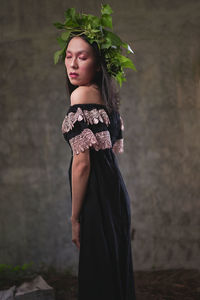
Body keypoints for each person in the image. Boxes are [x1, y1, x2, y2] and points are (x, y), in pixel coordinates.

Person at [56, 4, 137, 299]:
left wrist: (75, 218)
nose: (73, 64)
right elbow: (109, 155)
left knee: (98, 280)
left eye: (82, 57)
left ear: (99, 63)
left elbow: (83, 165)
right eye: (68, 56)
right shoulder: (106, 98)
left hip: (97, 197)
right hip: (115, 194)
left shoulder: (81, 96)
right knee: (114, 273)